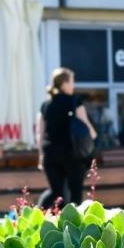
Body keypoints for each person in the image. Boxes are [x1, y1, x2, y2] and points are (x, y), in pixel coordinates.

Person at [34, 67, 95, 209]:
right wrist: (94, 135)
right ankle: (75, 226)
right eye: (72, 81)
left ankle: (39, 217)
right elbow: (86, 126)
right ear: (64, 83)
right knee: (75, 193)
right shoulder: (75, 101)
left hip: (51, 154)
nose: (73, 85)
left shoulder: (45, 105)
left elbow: (40, 133)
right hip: (72, 154)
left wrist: (41, 155)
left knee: (56, 193)